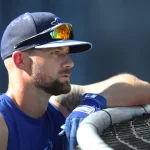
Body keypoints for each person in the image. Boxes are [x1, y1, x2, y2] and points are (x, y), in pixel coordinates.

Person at [0, 12, 150, 150]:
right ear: (20, 60)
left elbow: (138, 88)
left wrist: (94, 102)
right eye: (55, 52)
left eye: (66, 53)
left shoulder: (62, 104)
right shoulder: (3, 123)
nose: (70, 63)